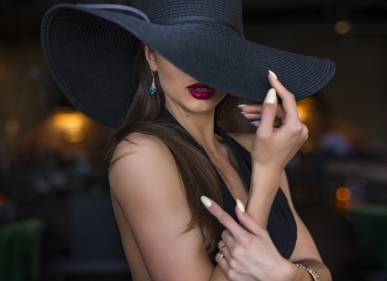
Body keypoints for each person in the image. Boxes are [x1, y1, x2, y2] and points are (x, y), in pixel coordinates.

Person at [41, 0, 335, 280]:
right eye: (182, 52)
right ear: (151, 56)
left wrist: (292, 276)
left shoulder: (255, 151)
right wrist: (266, 175)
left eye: (214, 54)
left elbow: (318, 267)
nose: (199, 71)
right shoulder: (140, 156)